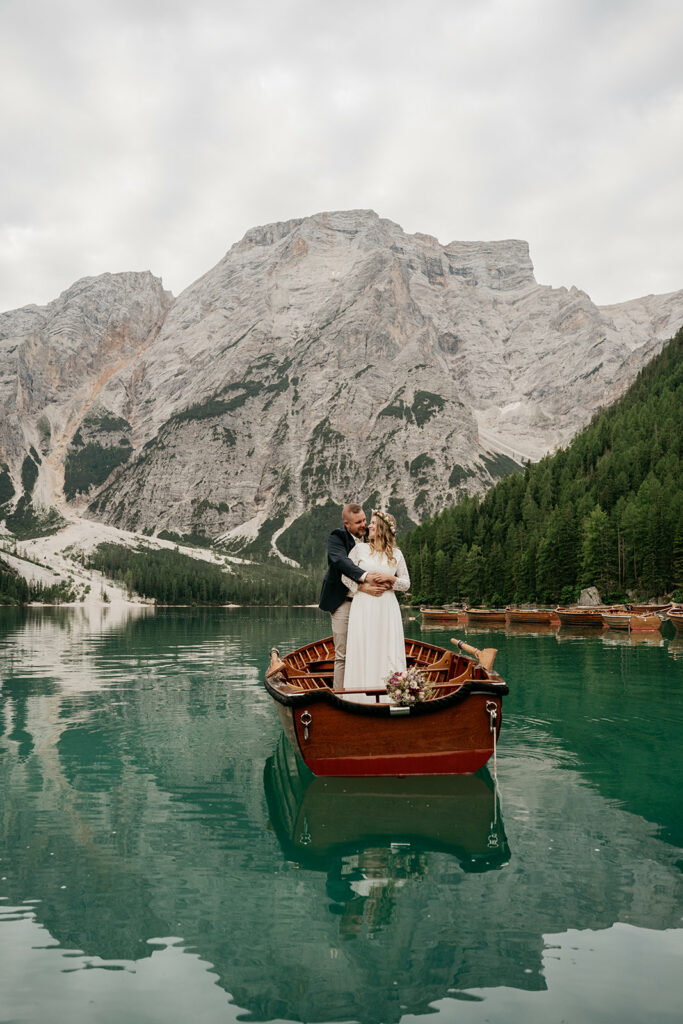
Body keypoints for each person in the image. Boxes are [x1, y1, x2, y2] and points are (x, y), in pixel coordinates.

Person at [319, 503, 396, 689]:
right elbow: (340, 561)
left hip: (370, 605)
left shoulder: (371, 540)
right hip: (343, 602)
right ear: (347, 524)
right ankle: (340, 695)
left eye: (365, 520)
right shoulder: (337, 537)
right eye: (358, 522)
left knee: (369, 650)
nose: (364, 525)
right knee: (343, 654)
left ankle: (368, 692)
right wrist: (365, 580)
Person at [341, 509, 410, 697]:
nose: (368, 525)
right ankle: (359, 697)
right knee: (364, 646)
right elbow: (345, 578)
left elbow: (406, 584)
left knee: (388, 648)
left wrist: (391, 579)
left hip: (387, 608)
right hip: (363, 605)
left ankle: (393, 694)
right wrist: (363, 588)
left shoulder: (396, 554)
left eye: (372, 522)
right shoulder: (359, 549)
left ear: (383, 528)